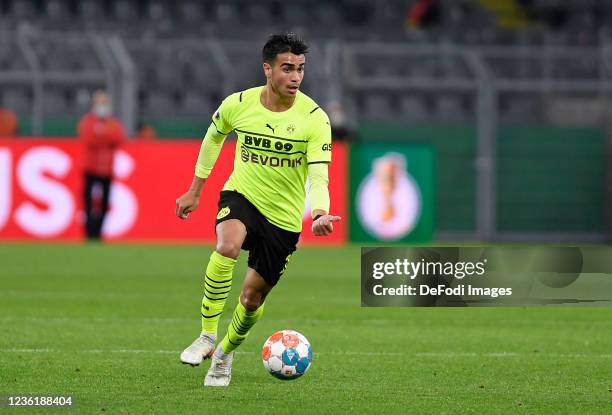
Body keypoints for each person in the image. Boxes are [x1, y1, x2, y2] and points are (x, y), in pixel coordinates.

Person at [175, 33, 341, 387]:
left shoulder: (314, 118)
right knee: (226, 246)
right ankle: (206, 334)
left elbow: (319, 174)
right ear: (267, 69)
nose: (295, 77)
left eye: (300, 69)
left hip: (283, 219)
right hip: (242, 195)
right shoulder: (238, 103)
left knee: (251, 298)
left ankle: (224, 353)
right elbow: (213, 137)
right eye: (287, 68)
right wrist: (195, 190)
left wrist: (320, 213)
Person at [78, 90, 126, 240]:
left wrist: (101, 134)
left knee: (104, 204)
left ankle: (98, 232)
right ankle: (89, 232)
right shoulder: (88, 121)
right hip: (90, 168)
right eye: (100, 103)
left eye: (105, 103)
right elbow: (88, 139)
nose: (103, 106)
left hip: (107, 170)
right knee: (88, 203)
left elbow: (118, 138)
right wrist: (104, 137)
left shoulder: (113, 123)